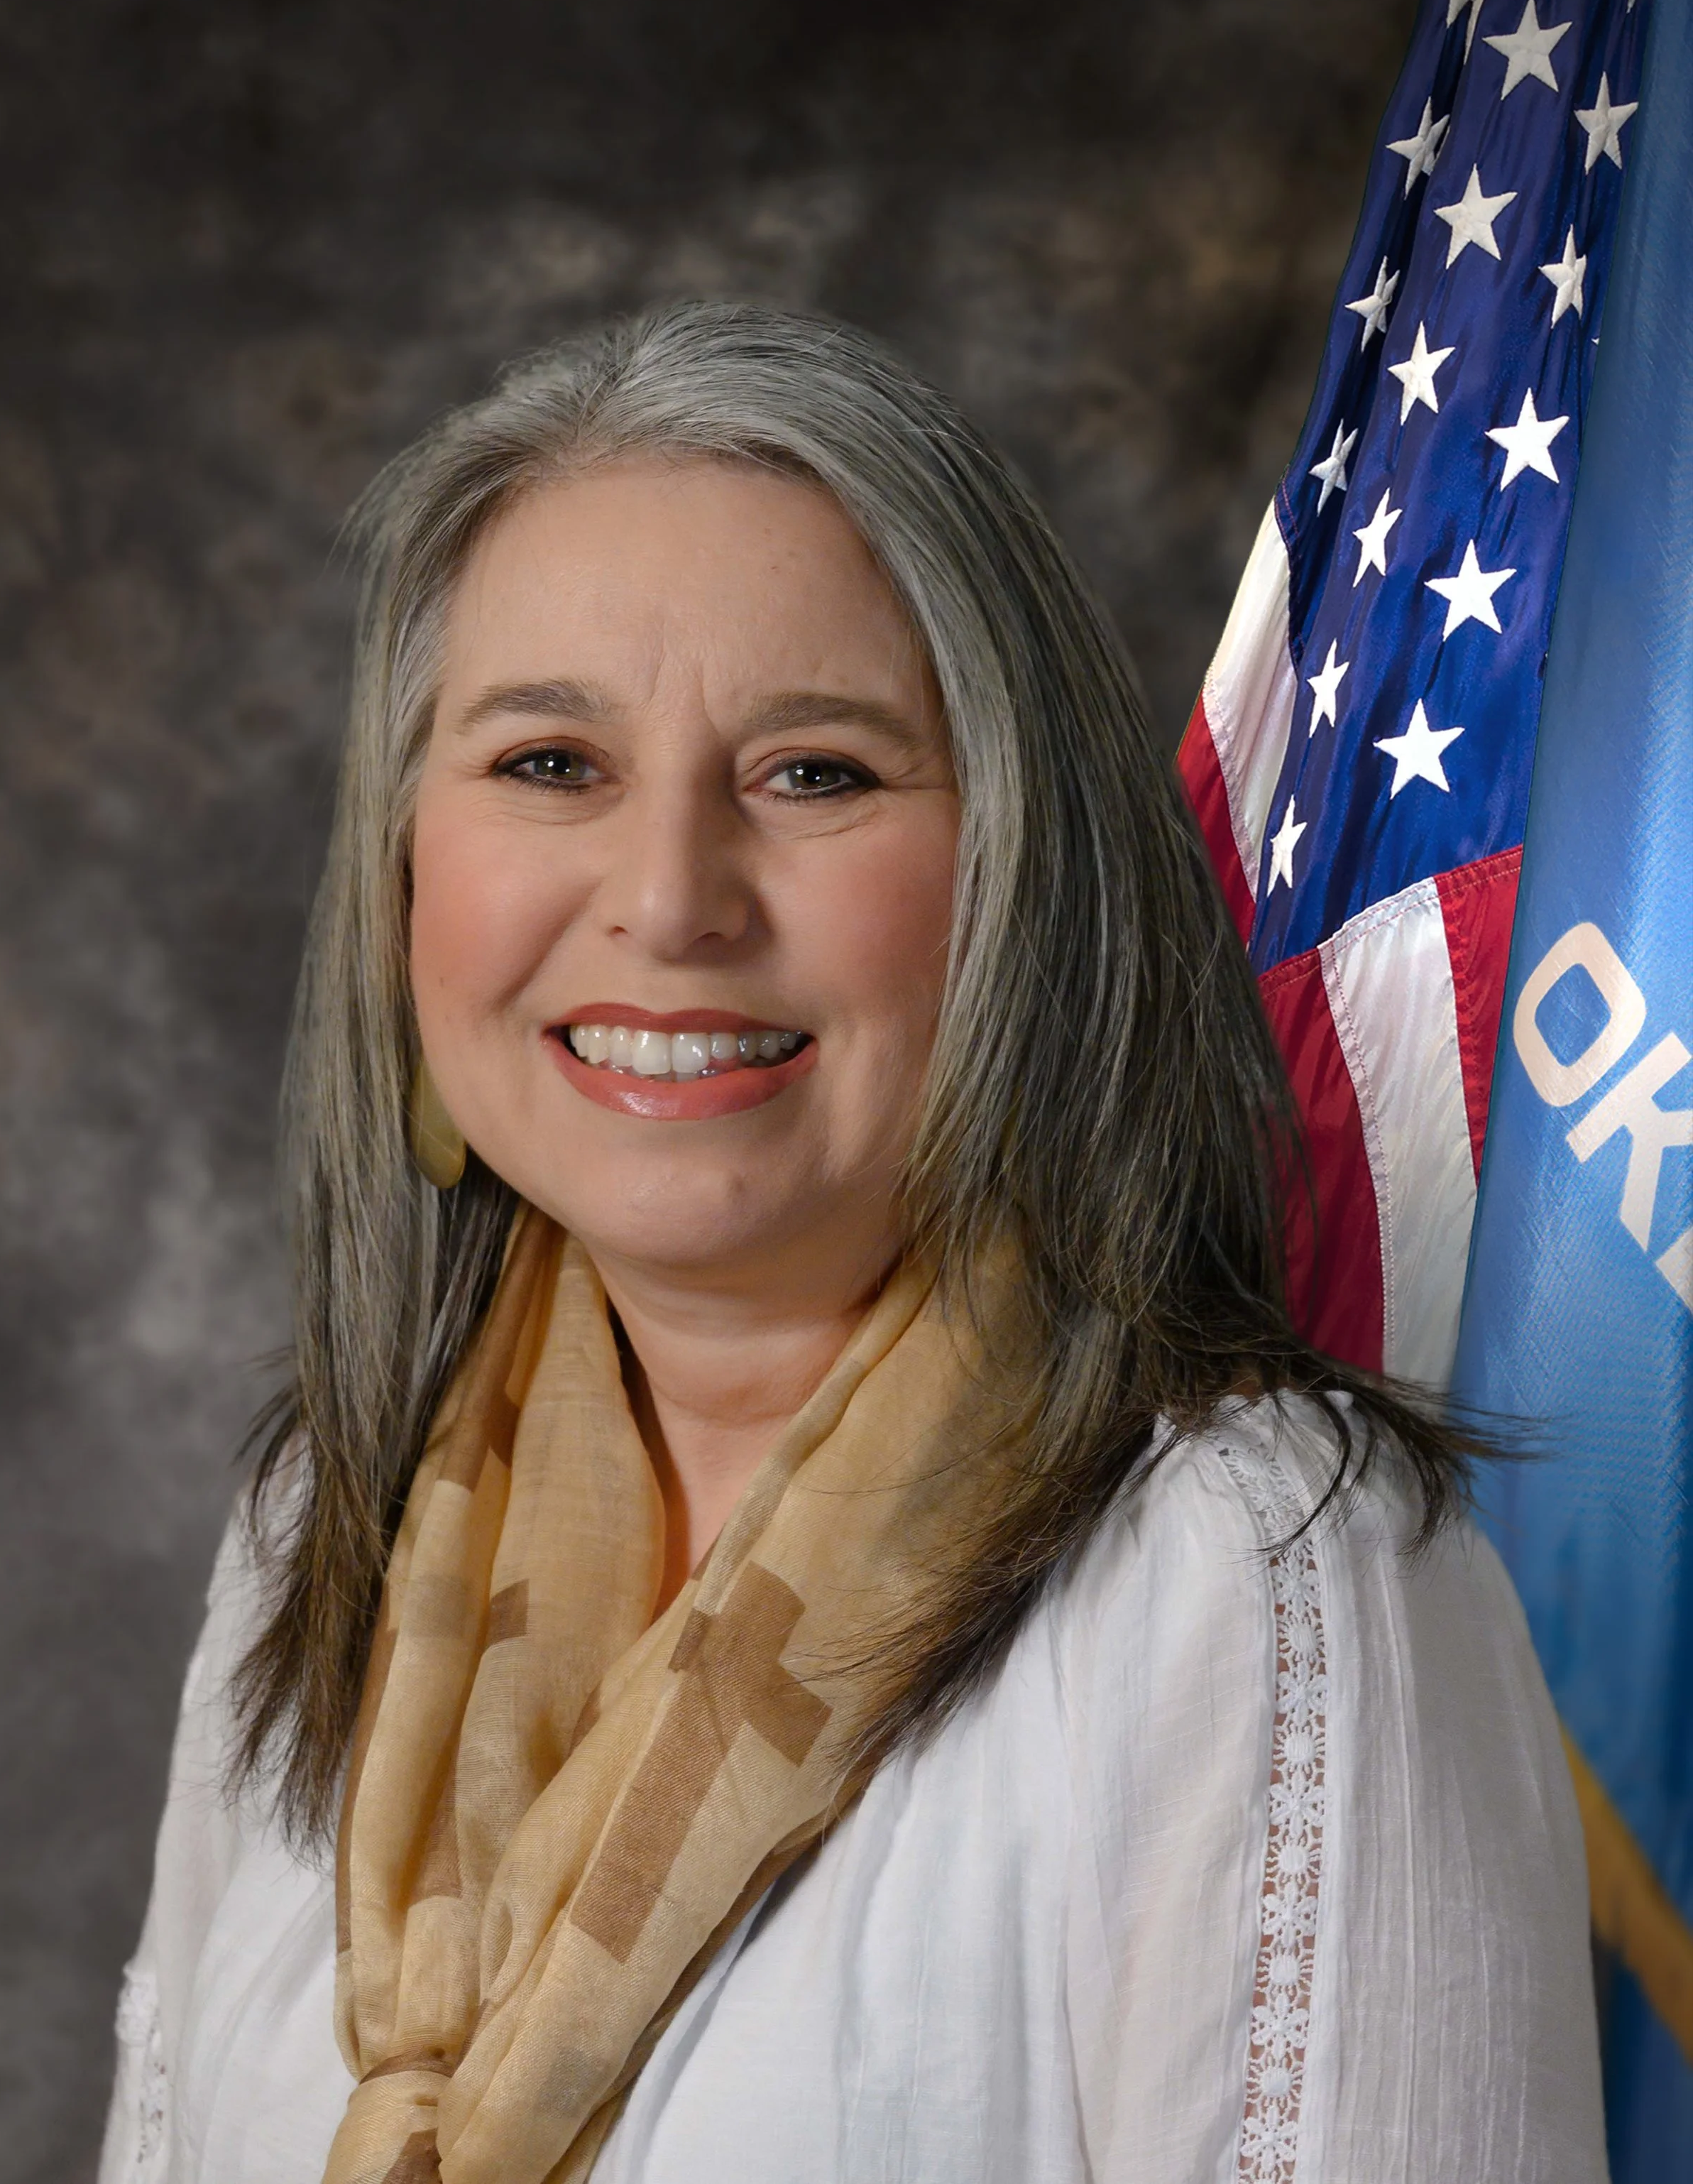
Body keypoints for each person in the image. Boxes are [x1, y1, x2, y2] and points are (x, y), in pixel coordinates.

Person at [98, 301, 1606, 2184]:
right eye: (549, 761)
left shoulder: (1261, 1573)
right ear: (404, 863)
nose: (668, 901)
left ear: (1014, 878)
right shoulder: (326, 1523)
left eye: (814, 771)